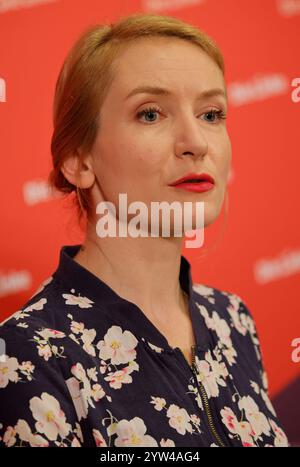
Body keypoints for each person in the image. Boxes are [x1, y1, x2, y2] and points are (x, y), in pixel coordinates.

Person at [0, 13, 289, 447]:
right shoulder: (29, 354)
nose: (197, 141)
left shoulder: (232, 319)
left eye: (212, 113)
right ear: (79, 160)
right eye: (151, 113)